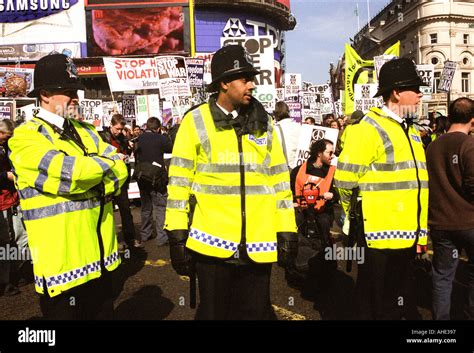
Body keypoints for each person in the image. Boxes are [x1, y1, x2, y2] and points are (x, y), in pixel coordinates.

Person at [164, 45, 297, 320]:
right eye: (244, 78)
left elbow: (280, 182)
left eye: (252, 78)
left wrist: (287, 229)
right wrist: (176, 234)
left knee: (256, 315)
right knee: (214, 315)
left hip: (258, 246)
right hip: (212, 246)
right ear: (224, 83)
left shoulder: (266, 123)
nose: (252, 85)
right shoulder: (195, 122)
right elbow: (178, 183)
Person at [8, 53, 128, 319]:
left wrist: (96, 174)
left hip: (102, 263)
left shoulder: (86, 130)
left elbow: (122, 172)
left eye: (76, 90)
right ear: (45, 94)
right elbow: (70, 174)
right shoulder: (25, 137)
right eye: (67, 91)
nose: (75, 97)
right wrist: (105, 166)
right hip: (63, 270)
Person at [334, 58, 428, 320]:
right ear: (396, 92)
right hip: (377, 237)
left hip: (407, 238)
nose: (421, 94)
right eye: (415, 88)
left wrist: (420, 236)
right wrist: (353, 219)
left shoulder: (412, 132)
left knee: (396, 305)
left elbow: (418, 188)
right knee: (372, 306)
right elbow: (344, 181)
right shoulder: (368, 128)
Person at [426, 97, 474, 320]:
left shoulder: (433, 146)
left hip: (441, 222)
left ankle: (441, 322)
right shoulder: (469, 144)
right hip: (468, 222)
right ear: (472, 121)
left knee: (442, 276)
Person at [289, 139, 337, 281]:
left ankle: (325, 260)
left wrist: (332, 195)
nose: (332, 155)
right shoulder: (299, 170)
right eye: (329, 152)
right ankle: (293, 263)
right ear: (319, 153)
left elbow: (338, 192)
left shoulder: (333, 172)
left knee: (323, 224)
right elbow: (290, 189)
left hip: (322, 212)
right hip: (302, 210)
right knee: (293, 227)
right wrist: (293, 202)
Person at [99, 114, 139, 249]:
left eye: (121, 129)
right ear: (110, 125)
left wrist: (130, 148)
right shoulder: (102, 137)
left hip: (121, 180)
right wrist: (116, 156)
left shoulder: (123, 138)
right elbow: (99, 155)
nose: (119, 132)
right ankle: (110, 242)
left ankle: (130, 238)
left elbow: (127, 153)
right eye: (117, 129)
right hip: (107, 179)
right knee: (107, 213)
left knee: (125, 210)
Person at [134, 117, 172, 247]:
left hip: (142, 176)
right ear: (158, 128)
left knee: (146, 207)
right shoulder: (161, 138)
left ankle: (146, 233)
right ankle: (162, 238)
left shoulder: (140, 138)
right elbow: (170, 148)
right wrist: (165, 136)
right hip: (157, 177)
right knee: (161, 207)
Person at [273, 101, 302, 169]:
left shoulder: (274, 129)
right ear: (288, 112)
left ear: (275, 114)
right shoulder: (299, 126)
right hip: (298, 168)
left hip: (283, 168)